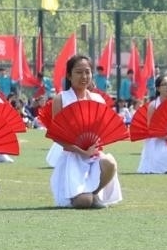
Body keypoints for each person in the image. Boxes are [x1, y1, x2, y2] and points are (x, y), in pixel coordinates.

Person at [49, 54, 122, 209]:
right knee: (83, 202)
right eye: (78, 72)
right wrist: (82, 152)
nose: (84, 76)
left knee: (110, 163)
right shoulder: (61, 99)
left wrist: (94, 149)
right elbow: (57, 136)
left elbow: (102, 130)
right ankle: (86, 197)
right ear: (69, 75)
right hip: (72, 157)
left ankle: (95, 192)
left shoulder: (98, 99)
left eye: (87, 72)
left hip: (93, 155)